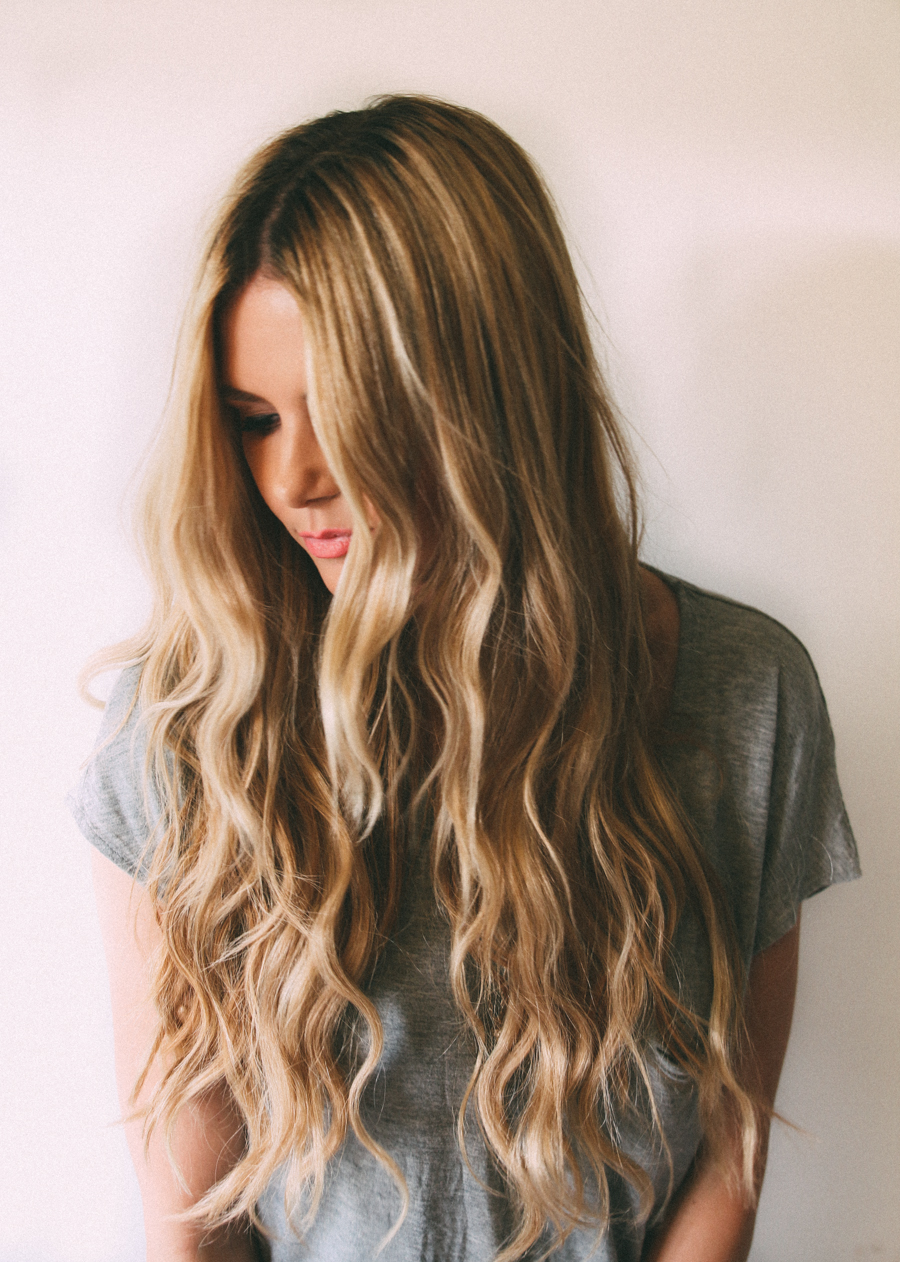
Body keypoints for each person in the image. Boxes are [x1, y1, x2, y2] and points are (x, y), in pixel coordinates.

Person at [71, 95, 860, 1262]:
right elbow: (191, 1225)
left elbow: (727, 1162)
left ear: (483, 399)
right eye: (252, 419)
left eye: (343, 414)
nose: (291, 480)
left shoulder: (745, 696)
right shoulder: (193, 726)